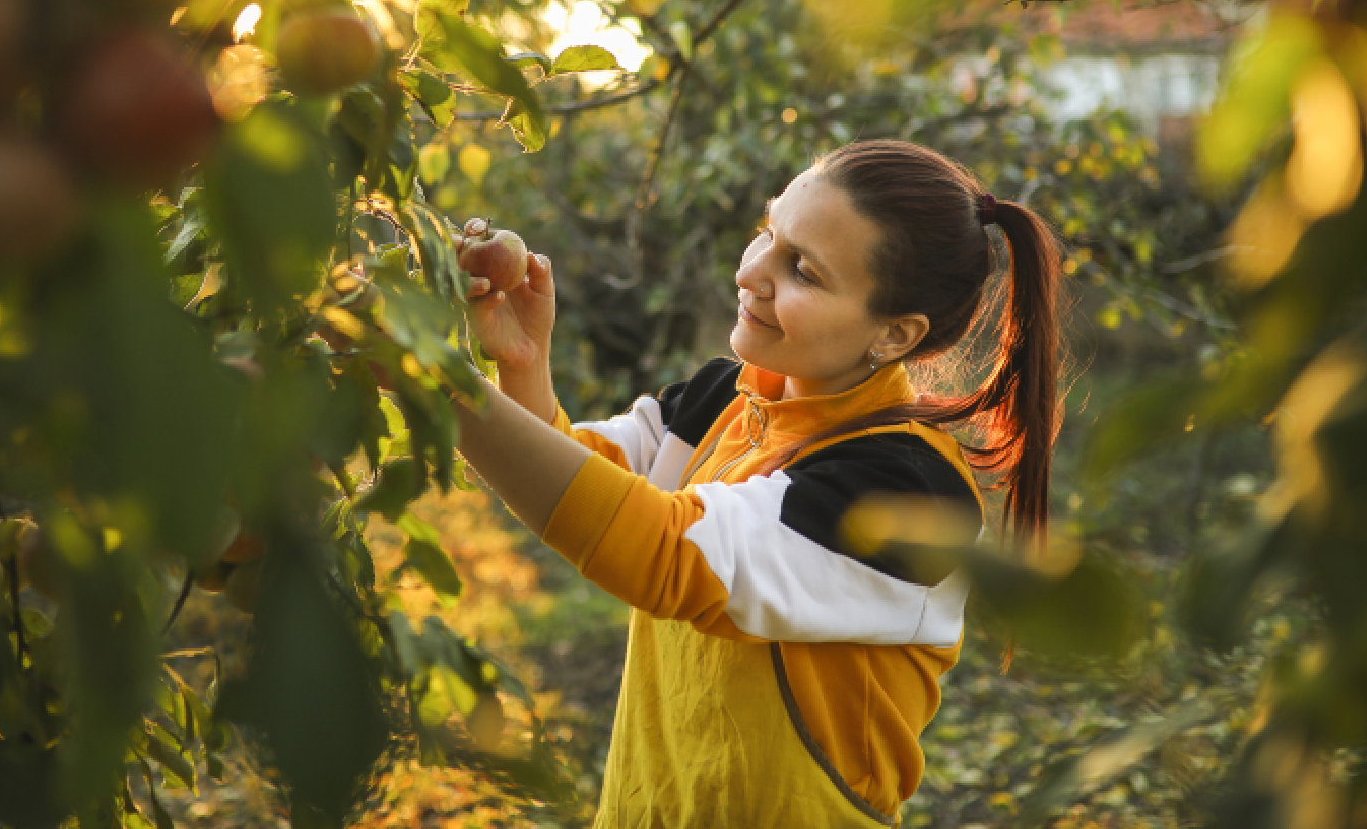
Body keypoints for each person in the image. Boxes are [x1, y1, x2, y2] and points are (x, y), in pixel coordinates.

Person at [448, 139, 1063, 828]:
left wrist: (430, 377)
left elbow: (662, 552)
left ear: (893, 335)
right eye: (768, 233)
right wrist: (522, 363)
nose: (750, 273)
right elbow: (572, 479)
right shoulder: (724, 400)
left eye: (802, 270)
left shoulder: (907, 491)